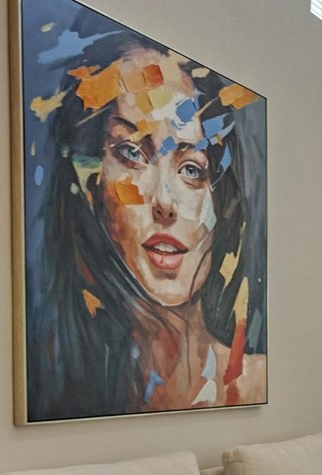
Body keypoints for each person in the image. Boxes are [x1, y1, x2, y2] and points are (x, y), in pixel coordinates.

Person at [24, 35, 265, 420]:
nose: (165, 203)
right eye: (132, 154)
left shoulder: (254, 382)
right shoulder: (56, 388)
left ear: (222, 204)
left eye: (191, 169)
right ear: (90, 186)